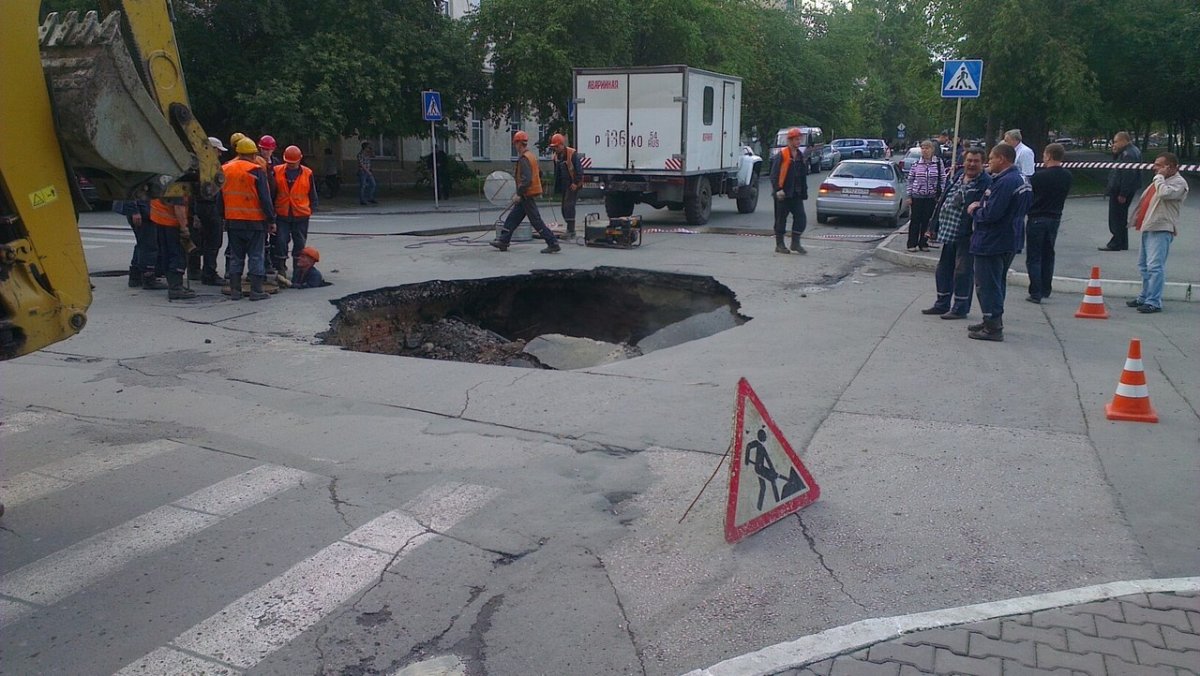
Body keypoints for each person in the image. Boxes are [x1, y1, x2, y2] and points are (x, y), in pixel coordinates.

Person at [965, 143, 1032, 341]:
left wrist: (975, 210)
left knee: (987, 284)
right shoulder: (1021, 178)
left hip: (992, 240)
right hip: (1011, 237)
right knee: (997, 281)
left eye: (992, 158)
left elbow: (993, 213)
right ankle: (991, 320)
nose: (989, 162)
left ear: (1002, 159)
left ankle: (993, 326)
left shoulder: (1005, 182)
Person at [921, 147, 991, 320]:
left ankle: (960, 308)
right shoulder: (958, 175)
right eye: (969, 160)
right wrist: (933, 225)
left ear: (983, 164)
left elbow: (985, 208)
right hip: (948, 232)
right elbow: (943, 200)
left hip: (967, 234)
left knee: (963, 271)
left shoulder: (985, 182)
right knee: (943, 269)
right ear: (964, 161)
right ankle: (941, 304)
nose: (972, 164)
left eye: (976, 161)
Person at [1127, 152, 1188, 314]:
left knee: (1155, 266)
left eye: (1160, 165)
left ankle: (1154, 302)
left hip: (1162, 228)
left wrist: (1159, 178)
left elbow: (1165, 194)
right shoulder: (1161, 180)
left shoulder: (1179, 183)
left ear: (1172, 167)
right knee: (1144, 266)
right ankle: (1144, 297)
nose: (1155, 168)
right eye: (1155, 165)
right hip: (1149, 226)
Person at [221, 137, 276, 301]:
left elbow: (219, 198)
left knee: (236, 256)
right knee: (255, 255)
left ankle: (235, 291)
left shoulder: (225, 169)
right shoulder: (256, 170)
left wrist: (223, 218)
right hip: (254, 221)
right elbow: (265, 199)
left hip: (233, 221)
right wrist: (271, 220)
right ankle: (256, 291)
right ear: (253, 154)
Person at [490, 131, 560, 253]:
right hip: (527, 195)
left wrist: (519, 193)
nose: (514, 146)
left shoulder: (524, 158)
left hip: (526, 195)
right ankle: (503, 241)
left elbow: (526, 179)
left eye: (515, 143)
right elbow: (539, 173)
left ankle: (552, 242)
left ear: (519, 143)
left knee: (536, 221)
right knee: (513, 218)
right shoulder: (531, 156)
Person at [1024, 143, 1072, 304]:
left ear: (1049, 156)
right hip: (1055, 217)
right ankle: (1046, 287)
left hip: (1037, 217)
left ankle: (1035, 291)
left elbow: (1030, 195)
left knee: (1034, 256)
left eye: (1044, 155)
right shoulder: (1067, 176)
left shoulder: (1039, 177)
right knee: (1048, 254)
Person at [271, 145, 318, 286]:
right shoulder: (277, 171)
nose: (291, 165)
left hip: (301, 215)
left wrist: (312, 208)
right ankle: (281, 269)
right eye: (289, 162)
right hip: (282, 214)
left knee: (299, 243)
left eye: (293, 162)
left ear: (300, 160)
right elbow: (272, 193)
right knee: (281, 241)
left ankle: (298, 272)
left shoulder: (307, 173)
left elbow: (312, 193)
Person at [189, 136, 227, 286]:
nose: (220, 154)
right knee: (213, 241)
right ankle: (209, 273)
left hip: (202, 208)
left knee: (201, 241)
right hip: (207, 207)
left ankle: (195, 271)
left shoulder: (196, 164)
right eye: (218, 150)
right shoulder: (206, 166)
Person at [1100, 131, 1143, 251]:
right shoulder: (1130, 151)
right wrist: (1114, 153)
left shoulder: (1128, 154)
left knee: (1116, 217)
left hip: (1120, 190)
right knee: (1121, 216)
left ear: (1124, 140)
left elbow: (1128, 174)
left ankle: (1116, 243)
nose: (1114, 144)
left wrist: (1123, 193)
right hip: (1123, 189)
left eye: (1116, 141)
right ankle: (1123, 242)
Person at [768, 127, 808, 254]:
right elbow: (774, 174)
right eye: (796, 139)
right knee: (780, 219)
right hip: (783, 194)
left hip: (796, 193)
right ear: (789, 141)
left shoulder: (800, 156)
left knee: (801, 218)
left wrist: (804, 191)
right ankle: (779, 245)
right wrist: (778, 189)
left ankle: (795, 243)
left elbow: (803, 176)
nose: (799, 141)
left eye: (799, 139)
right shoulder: (782, 155)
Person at [148, 196, 195, 300]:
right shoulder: (178, 185)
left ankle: (173, 285)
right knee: (177, 255)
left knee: (167, 254)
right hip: (172, 224)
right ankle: (176, 288)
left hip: (160, 220)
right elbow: (178, 207)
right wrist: (184, 227)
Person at [114, 196, 164, 290]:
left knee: (143, 243)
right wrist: (134, 211)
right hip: (142, 210)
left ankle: (136, 276)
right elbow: (129, 191)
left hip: (143, 209)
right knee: (149, 245)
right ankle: (148, 277)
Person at [905, 140, 946, 251]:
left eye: (927, 148)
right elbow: (910, 180)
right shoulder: (916, 164)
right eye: (923, 148)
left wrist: (941, 194)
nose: (925, 150)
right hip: (917, 196)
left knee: (927, 220)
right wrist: (909, 196)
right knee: (915, 220)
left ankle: (923, 243)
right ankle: (912, 244)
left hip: (931, 196)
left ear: (932, 150)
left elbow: (943, 178)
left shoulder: (938, 163)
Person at [548, 133, 584, 239]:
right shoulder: (556, 156)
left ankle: (571, 230)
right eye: (553, 147)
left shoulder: (572, 154)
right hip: (564, 185)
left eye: (556, 147)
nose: (555, 149)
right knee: (564, 208)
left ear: (561, 145)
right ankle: (569, 227)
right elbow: (557, 173)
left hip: (573, 185)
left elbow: (579, 170)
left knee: (569, 206)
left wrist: (576, 183)